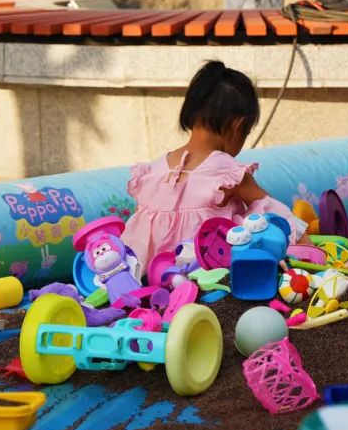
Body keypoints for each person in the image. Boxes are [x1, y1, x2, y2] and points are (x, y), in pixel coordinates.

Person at [121, 60, 306, 272]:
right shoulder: (228, 172)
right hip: (212, 280)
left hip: (156, 279)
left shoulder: (150, 174)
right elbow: (275, 216)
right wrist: (311, 251)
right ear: (237, 126)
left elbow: (135, 237)